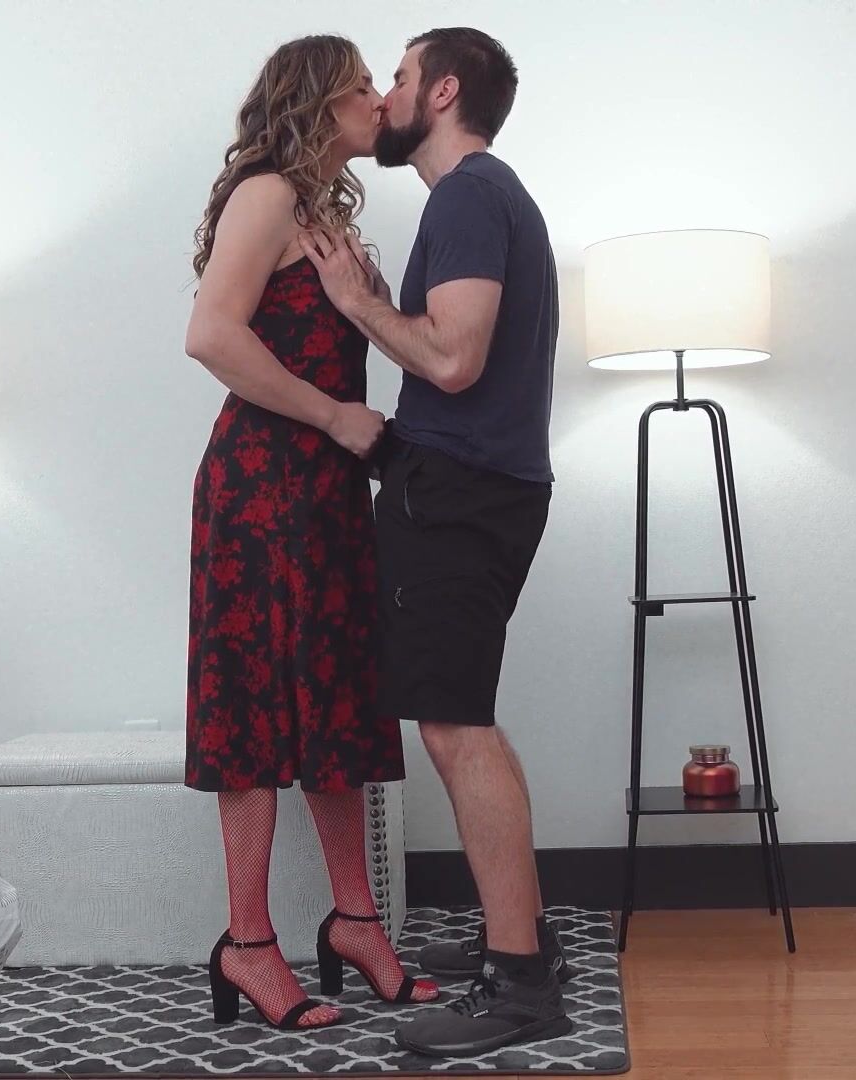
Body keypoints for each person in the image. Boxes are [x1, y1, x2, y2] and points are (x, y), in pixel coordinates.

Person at [297, 26, 570, 1058]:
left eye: (402, 76)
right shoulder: (486, 198)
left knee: (457, 728)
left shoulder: (466, 196)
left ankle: (521, 983)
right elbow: (462, 373)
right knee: (464, 721)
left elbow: (454, 361)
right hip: (470, 486)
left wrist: (357, 303)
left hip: (462, 499)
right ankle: (522, 937)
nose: (387, 94)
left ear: (444, 91)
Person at [182, 34, 441, 1032]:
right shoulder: (266, 193)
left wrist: (360, 304)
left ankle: (355, 923)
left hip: (325, 493)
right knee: (251, 707)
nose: (380, 99)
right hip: (259, 488)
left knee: (339, 704)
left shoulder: (323, 213)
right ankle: (248, 944)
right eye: (364, 85)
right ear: (320, 102)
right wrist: (336, 417)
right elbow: (211, 334)